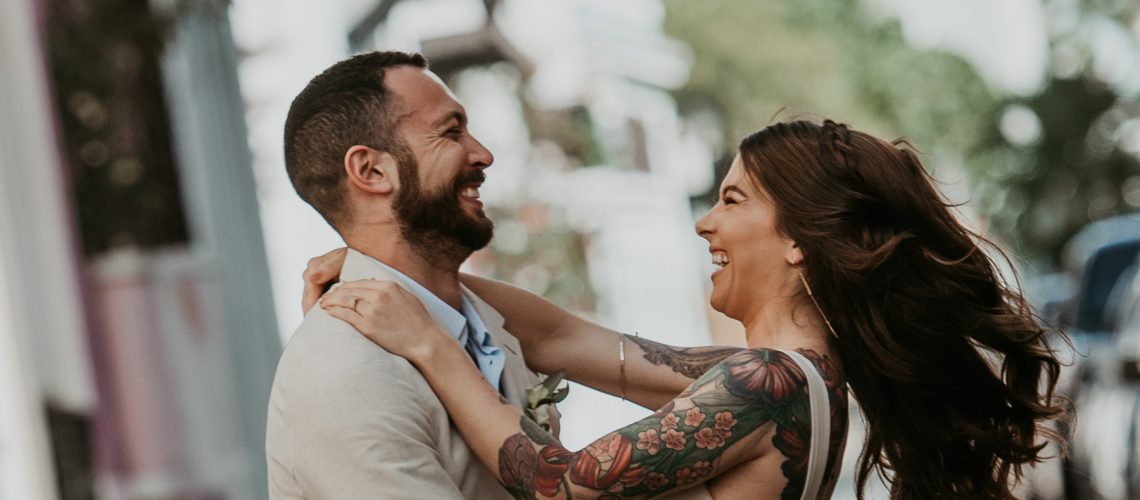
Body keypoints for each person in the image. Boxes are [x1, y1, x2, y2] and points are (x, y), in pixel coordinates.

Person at [309, 118, 1069, 499]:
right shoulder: (796, 378)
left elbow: (562, 482)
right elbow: (564, 334)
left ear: (800, 240)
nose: (706, 222)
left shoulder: (766, 385)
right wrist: (394, 271)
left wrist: (430, 346)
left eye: (732, 200)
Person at [265, 51, 559, 499]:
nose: (483, 154)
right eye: (451, 131)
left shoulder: (478, 322)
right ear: (372, 171)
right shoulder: (346, 373)